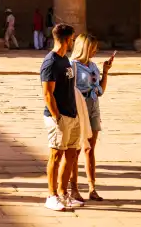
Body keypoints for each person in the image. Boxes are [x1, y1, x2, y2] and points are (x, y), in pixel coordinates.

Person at [69, 33, 113, 202]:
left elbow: (100, 91)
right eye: (93, 48)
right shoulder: (73, 66)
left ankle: (92, 187)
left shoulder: (93, 66)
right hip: (80, 108)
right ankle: (73, 187)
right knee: (76, 150)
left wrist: (105, 72)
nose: (96, 51)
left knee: (90, 149)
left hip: (94, 106)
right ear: (84, 48)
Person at [41, 23, 80, 211]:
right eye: (72, 39)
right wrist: (57, 116)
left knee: (71, 155)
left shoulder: (65, 59)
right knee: (56, 155)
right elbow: (47, 93)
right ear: (66, 39)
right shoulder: (51, 62)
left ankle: (64, 193)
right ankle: (52, 195)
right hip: (59, 117)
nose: (73, 42)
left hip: (72, 115)